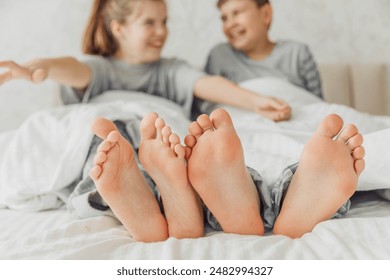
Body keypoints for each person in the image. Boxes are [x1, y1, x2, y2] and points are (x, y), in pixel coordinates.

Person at [0, 0, 292, 242]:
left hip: (156, 137)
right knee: (106, 148)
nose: (161, 31)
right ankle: (159, 201)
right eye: (149, 23)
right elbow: (74, 68)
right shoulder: (102, 70)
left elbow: (206, 83)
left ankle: (163, 202)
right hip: (114, 130)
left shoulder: (169, 71)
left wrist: (255, 100)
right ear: (119, 29)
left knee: (163, 155)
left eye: (164, 22)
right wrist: (39, 67)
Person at [91, 108, 365, 241]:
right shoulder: (181, 75)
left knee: (93, 179)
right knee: (264, 168)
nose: (159, 30)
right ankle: (282, 202)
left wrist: (261, 100)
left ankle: (166, 205)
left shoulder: (182, 72)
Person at [205, 0, 323, 98]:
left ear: (266, 14)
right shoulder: (220, 55)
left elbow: (318, 106)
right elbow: (207, 106)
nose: (229, 24)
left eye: (237, 13)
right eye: (224, 18)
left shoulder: (297, 53)